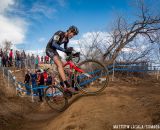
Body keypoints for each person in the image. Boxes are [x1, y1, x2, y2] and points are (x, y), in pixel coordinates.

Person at [46, 25, 79, 94]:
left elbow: (66, 50)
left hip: (54, 51)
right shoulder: (60, 33)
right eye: (73, 34)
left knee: (62, 66)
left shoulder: (67, 40)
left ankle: (63, 86)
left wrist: (72, 53)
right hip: (49, 49)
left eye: (74, 35)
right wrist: (64, 50)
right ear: (70, 31)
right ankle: (67, 85)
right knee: (59, 65)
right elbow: (54, 44)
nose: (73, 36)